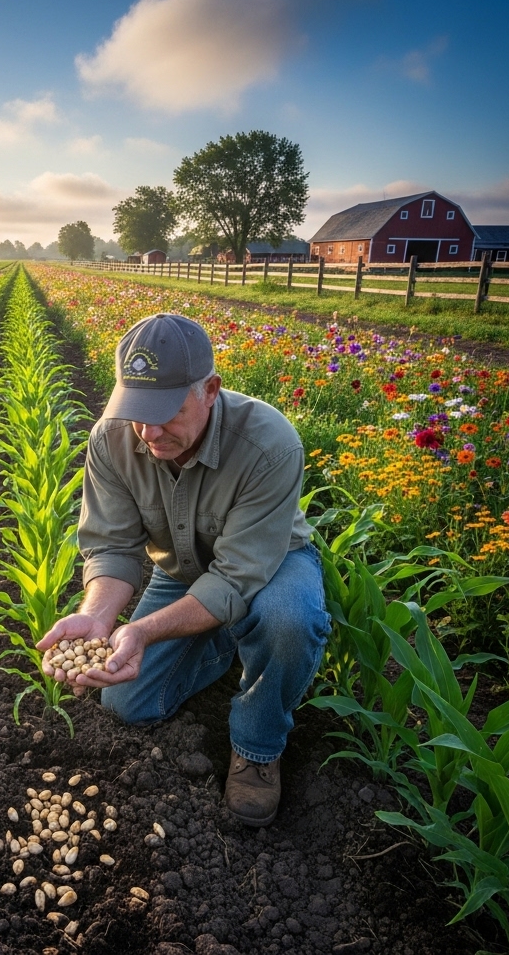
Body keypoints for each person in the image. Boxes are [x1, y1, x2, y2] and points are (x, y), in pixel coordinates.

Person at [37, 312, 330, 827]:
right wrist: (100, 617)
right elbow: (112, 548)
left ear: (210, 390)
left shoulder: (269, 443)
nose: (149, 431)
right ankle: (224, 639)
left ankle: (258, 749)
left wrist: (143, 631)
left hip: (269, 564)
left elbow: (239, 577)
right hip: (182, 566)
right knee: (125, 703)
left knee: (287, 619)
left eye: (166, 411)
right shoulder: (111, 440)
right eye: (136, 411)